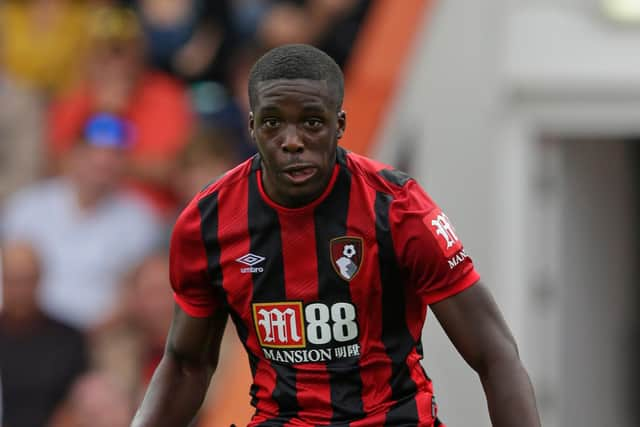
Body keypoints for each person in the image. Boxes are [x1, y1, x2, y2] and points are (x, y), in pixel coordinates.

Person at [131, 44, 541, 427]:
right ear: (253, 126)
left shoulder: (399, 210)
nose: (293, 142)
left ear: (339, 124)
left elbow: (494, 353)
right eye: (274, 123)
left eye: (312, 122)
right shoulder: (206, 223)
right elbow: (186, 364)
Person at [2, 114, 161, 330]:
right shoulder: (27, 207)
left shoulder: (141, 220)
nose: (103, 161)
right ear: (73, 154)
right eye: (93, 152)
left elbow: (139, 294)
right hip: (26, 329)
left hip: (103, 335)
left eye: (114, 154)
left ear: (125, 161)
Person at [0, 241, 88, 427]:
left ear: (40, 279)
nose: (19, 290)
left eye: (26, 280)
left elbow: (79, 399)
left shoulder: (69, 339)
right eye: (12, 280)